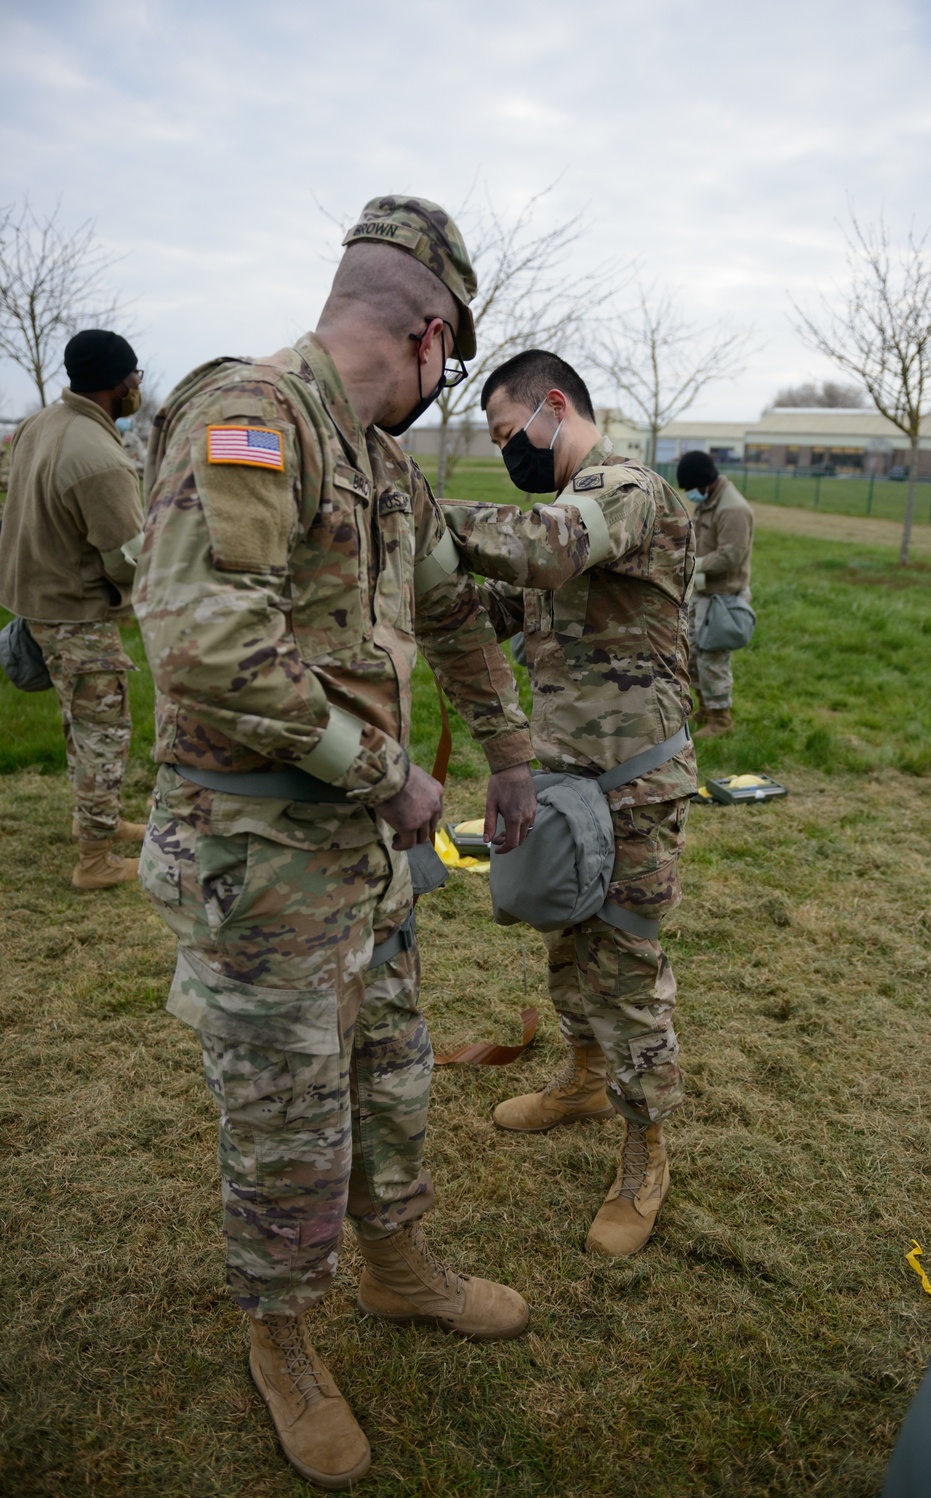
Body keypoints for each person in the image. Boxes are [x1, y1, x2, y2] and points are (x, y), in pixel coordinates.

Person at [132, 196, 537, 1491]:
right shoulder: (252, 420)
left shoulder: (383, 467)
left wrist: (509, 746)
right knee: (286, 1121)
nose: (443, 382)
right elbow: (204, 649)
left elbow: (457, 613)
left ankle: (399, 1264)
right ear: (429, 333)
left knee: (394, 1079)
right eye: (452, 363)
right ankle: (284, 1337)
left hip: (368, 865)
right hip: (260, 867)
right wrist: (391, 773)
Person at [441, 349, 698, 1260]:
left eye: (511, 434)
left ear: (557, 407)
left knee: (625, 966)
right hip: (562, 786)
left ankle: (645, 1150)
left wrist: (422, 516)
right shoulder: (563, 517)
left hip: (636, 786)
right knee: (566, 942)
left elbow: (545, 551)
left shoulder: (625, 492)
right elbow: (494, 602)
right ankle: (584, 1080)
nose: (507, 451)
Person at [0, 330, 147, 889]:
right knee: (104, 732)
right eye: (135, 376)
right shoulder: (99, 456)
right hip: (76, 613)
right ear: (118, 383)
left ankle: (95, 821)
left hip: (38, 598)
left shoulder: (41, 423)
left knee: (79, 722)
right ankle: (94, 860)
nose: (138, 385)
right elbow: (129, 559)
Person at [676, 450, 754, 739]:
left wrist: (692, 565)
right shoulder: (709, 501)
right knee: (694, 654)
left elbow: (731, 555)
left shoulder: (732, 509)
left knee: (713, 659)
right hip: (705, 593)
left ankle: (722, 720)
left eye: (690, 488)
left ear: (704, 482)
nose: (689, 495)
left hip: (723, 598)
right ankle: (707, 709)